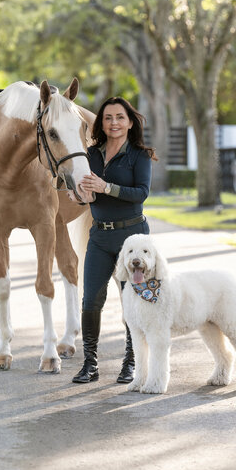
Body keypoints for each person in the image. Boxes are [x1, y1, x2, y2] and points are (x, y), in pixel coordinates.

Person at [72, 96, 157, 384]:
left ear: (130, 122)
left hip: (131, 238)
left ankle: (131, 363)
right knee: (90, 300)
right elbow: (87, 192)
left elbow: (141, 193)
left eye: (119, 117)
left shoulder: (139, 155)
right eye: (108, 118)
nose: (114, 123)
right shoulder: (91, 154)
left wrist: (106, 186)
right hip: (99, 237)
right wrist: (82, 194)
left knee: (133, 301)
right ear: (101, 123)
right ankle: (90, 364)